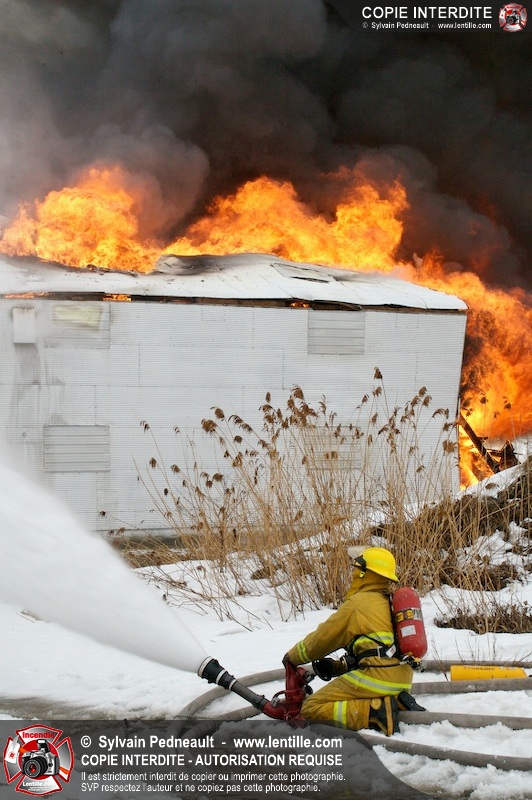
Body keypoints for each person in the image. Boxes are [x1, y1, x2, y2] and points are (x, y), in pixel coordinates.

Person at [283, 546, 415, 735]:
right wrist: (338, 667)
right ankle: (394, 702)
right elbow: (378, 651)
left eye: (356, 568)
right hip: (402, 681)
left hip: (378, 679)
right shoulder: (391, 601)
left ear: (363, 573)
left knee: (311, 708)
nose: (353, 572)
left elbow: (323, 638)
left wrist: (293, 656)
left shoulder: (358, 604)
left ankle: (375, 713)